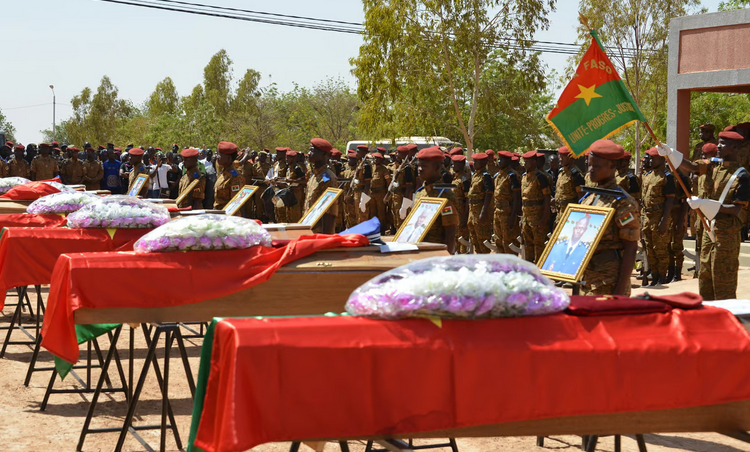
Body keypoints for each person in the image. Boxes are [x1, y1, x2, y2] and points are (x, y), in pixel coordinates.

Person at [659, 129, 749, 300]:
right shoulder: (713, 165)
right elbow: (692, 166)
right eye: (719, 142)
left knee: (723, 282)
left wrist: (705, 204)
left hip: (726, 235)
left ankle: (725, 320)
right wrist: (671, 153)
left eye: (724, 144)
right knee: (705, 279)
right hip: (708, 231)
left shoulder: (742, 176)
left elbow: (736, 209)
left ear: (735, 147)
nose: (719, 146)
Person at [578, 140, 640, 296]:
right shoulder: (590, 196)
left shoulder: (622, 202)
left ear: (613, 167)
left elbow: (631, 248)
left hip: (608, 280)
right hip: (588, 276)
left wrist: (619, 292)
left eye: (597, 166)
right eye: (589, 165)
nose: (591, 170)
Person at [413, 146, 459, 254]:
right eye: (419, 166)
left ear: (437, 168)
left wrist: (445, 258)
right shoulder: (421, 192)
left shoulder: (445, 196)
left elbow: (450, 233)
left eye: (424, 166)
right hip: (420, 251)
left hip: (435, 252)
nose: (419, 169)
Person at [641, 147, 676, 286]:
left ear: (661, 159)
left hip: (660, 216)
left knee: (660, 250)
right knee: (650, 250)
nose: (650, 160)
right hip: (647, 216)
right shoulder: (649, 175)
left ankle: (662, 278)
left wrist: (664, 221)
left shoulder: (667, 176)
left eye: (653, 158)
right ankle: (654, 277)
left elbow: (670, 200)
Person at [520, 149, 551, 263]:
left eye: (527, 162)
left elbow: (547, 197)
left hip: (537, 216)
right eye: (524, 162)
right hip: (526, 216)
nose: (525, 164)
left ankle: (540, 270)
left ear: (534, 162)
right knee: (527, 243)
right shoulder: (524, 177)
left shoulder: (540, 177)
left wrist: (544, 218)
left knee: (539, 245)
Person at [304, 138, 338, 234]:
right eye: (309, 150)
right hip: (310, 227)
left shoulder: (328, 178)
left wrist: (326, 238)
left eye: (312, 151)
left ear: (324, 155)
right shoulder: (314, 175)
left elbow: (330, 212)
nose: (309, 153)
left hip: (320, 232)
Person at [493, 150, 522, 254]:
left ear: (508, 161)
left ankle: (511, 267)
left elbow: (517, 197)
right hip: (498, 211)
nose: (499, 161)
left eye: (502, 159)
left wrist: (513, 216)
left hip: (508, 213)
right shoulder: (498, 176)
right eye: (499, 159)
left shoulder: (512, 176)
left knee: (509, 242)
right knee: (498, 241)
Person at [466, 153, 493, 253]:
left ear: (484, 163)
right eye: (475, 161)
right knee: (474, 238)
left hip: (480, 208)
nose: (475, 164)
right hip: (472, 209)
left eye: (477, 162)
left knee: (482, 238)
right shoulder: (476, 175)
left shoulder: (486, 176)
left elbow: (489, 194)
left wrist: (484, 211)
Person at [554, 146, 585, 222]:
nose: (560, 159)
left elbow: (580, 195)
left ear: (570, 157)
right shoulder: (561, 172)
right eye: (560, 156)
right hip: (560, 211)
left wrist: (579, 214)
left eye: (563, 157)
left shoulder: (575, 174)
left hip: (570, 213)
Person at [213, 142, 246, 211]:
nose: (217, 157)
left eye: (220, 154)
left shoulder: (235, 177)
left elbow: (235, 204)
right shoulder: (223, 173)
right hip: (219, 213)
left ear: (228, 158)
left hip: (227, 216)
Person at [451, 155, 471, 253]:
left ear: (462, 165)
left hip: (461, 212)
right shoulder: (455, 178)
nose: (453, 165)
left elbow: (467, 199)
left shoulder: (464, 180)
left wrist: (465, 216)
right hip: (454, 212)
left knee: (462, 239)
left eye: (455, 164)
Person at [367, 152, 391, 231]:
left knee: (381, 212)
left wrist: (387, 194)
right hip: (371, 193)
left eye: (378, 159)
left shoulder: (384, 169)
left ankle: (382, 229)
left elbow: (388, 182)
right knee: (372, 211)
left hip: (380, 193)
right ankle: (373, 228)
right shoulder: (371, 167)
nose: (376, 160)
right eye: (375, 158)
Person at [284, 150, 306, 222]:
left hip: (296, 193)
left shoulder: (297, 168)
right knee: (288, 213)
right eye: (286, 158)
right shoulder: (288, 168)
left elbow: (304, 181)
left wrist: (292, 181)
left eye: (288, 158)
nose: (287, 159)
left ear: (293, 159)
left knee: (295, 213)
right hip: (289, 192)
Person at [342, 150, 359, 229]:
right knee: (347, 214)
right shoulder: (347, 171)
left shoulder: (357, 172)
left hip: (353, 195)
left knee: (353, 215)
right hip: (346, 195)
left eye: (351, 159)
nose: (348, 160)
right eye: (348, 159)